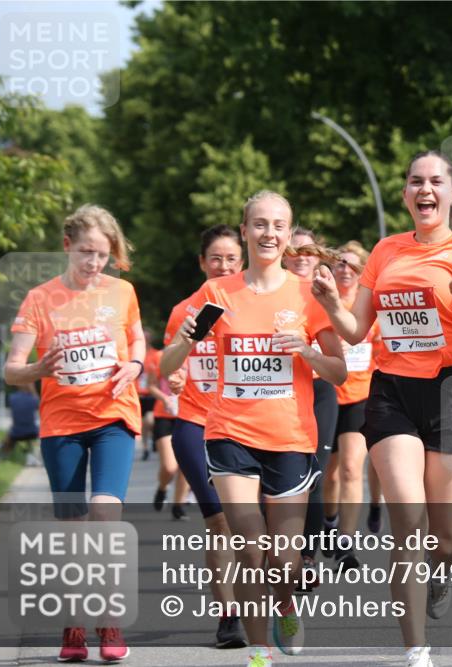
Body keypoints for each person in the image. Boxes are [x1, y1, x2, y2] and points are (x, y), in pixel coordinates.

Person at [311, 151, 452, 667]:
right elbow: (357, 330)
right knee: (408, 515)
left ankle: (443, 572)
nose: (424, 189)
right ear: (405, 193)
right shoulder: (385, 251)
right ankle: (416, 650)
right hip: (392, 392)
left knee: (445, 539)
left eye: (435, 182)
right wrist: (328, 302)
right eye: (414, 181)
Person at [161, 191, 346, 667]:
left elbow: (339, 372)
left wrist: (304, 353)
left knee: (284, 561)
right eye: (259, 224)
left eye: (278, 225)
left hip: (289, 437)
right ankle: (259, 651)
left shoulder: (307, 296)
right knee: (248, 546)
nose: (269, 233)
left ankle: (285, 601)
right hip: (229, 433)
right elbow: (169, 365)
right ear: (245, 232)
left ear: (289, 234)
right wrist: (183, 342)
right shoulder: (217, 294)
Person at [4, 204, 143, 663]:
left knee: (104, 517)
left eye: (102, 254)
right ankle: (74, 623)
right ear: (67, 246)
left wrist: (136, 364)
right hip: (62, 425)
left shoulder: (122, 293)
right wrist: (37, 369)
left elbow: (138, 337)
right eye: (86, 252)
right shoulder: (40, 299)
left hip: (113, 418)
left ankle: (108, 620)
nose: (94, 263)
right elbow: (11, 371)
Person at [162, 223, 247, 649]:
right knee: (218, 522)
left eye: (232, 258)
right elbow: (169, 362)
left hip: (246, 426)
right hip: (195, 423)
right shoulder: (184, 311)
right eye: (216, 258)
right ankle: (228, 617)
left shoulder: (252, 305)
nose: (224, 265)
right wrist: (176, 376)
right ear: (202, 262)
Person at [283, 226, 340, 588]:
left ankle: (306, 558)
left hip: (319, 390)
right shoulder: (270, 290)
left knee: (315, 473)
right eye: (296, 251)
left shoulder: (326, 292)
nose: (302, 257)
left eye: (309, 251)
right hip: (279, 396)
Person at [319, 241, 381, 570]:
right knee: (329, 474)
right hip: (328, 396)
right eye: (340, 263)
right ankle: (329, 520)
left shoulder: (369, 305)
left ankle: (346, 542)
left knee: (351, 468)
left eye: (353, 265)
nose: (345, 269)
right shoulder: (323, 301)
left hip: (360, 395)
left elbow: (384, 349)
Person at [146, 339, 190, 519]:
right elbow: (150, 385)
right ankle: (162, 488)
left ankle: (178, 505)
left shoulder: (194, 355)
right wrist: (164, 398)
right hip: (164, 416)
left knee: (187, 467)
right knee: (170, 466)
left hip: (187, 415)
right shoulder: (159, 357)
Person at [137, 331, 159, 461]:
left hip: (151, 393)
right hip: (138, 393)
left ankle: (153, 439)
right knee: (142, 424)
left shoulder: (155, 355)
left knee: (149, 420)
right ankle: (145, 447)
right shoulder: (134, 354)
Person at [4, 382, 40, 461]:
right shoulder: (32, 398)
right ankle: (36, 457)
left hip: (16, 432)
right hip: (32, 431)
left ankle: (6, 456)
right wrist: (33, 390)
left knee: (8, 435)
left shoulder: (12, 397)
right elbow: (39, 405)